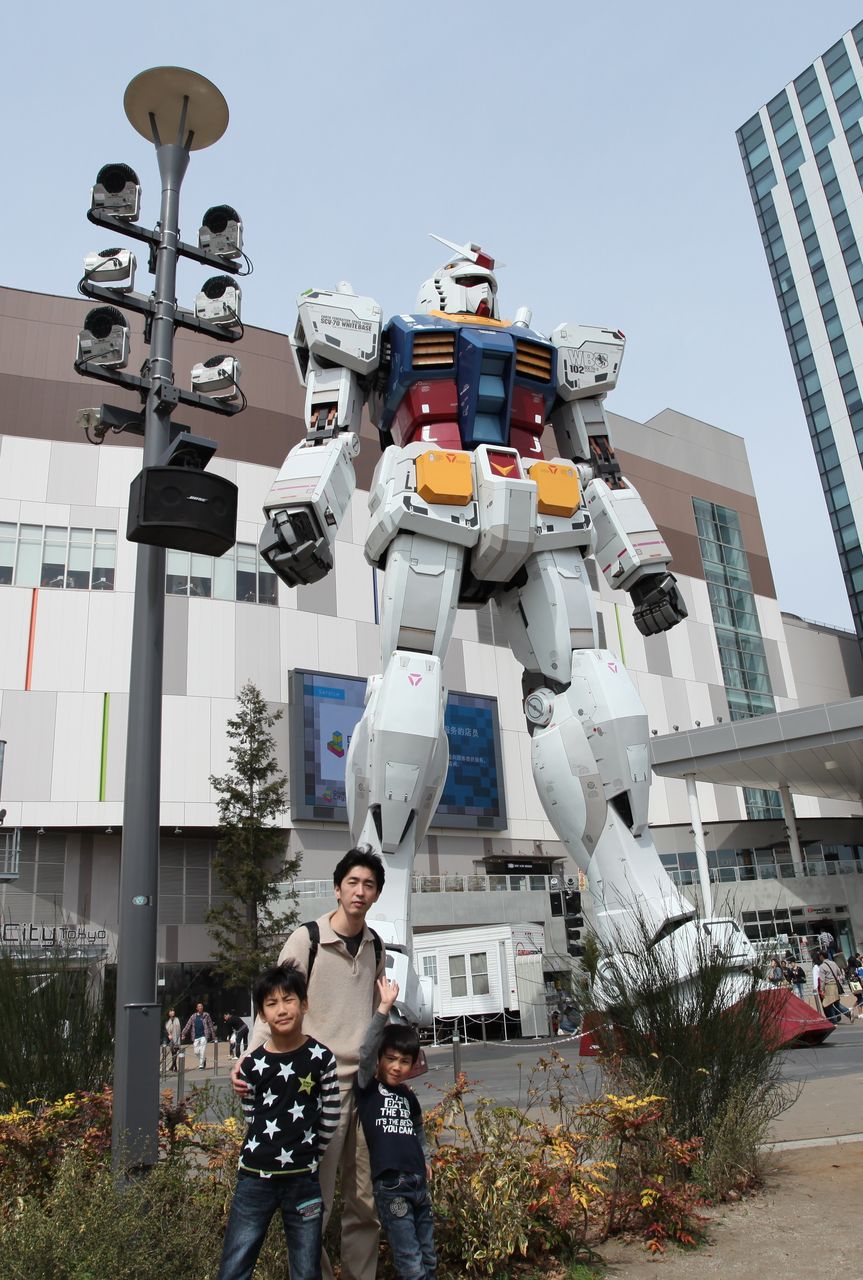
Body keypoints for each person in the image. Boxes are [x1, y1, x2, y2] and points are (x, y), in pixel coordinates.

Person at [233, 848, 387, 1280]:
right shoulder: (308, 940)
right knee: (313, 1201)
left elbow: (375, 1012)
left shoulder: (375, 946)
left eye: (369, 885)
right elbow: (275, 1001)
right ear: (337, 889)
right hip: (317, 1086)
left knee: (364, 1200)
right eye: (352, 883)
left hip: (365, 1087)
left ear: (376, 894)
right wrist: (250, 1059)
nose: (359, 892)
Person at [217, 963, 340, 1280]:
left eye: (289, 1000)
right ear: (262, 1014)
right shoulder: (252, 1064)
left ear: (304, 1004)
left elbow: (331, 1114)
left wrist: (311, 1153)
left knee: (306, 1268)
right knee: (235, 1264)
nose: (281, 1010)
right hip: (254, 1178)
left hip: (304, 1180)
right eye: (271, 1003)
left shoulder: (321, 1058)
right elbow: (251, 1115)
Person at [355, 977, 437, 1280]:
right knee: (410, 1260)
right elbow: (366, 1051)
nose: (396, 1066)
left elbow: (418, 1130)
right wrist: (384, 1008)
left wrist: (426, 1159)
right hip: (391, 1186)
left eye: (404, 1061)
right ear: (379, 1059)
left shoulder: (407, 1095)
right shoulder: (367, 1087)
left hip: (418, 1182)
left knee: (428, 1256)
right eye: (390, 1059)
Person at [816, 950, 853, 1025]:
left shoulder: (822, 966)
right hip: (835, 985)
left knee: (828, 1004)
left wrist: (821, 989)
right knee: (836, 1003)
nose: (819, 957)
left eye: (819, 955)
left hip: (828, 986)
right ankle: (848, 1013)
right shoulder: (833, 963)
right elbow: (839, 973)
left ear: (822, 956)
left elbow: (822, 980)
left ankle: (834, 1021)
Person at [182, 1000, 217, 1069]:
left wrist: (213, 1036)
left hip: (204, 1035)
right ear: (197, 1008)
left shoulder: (206, 1015)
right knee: (196, 1052)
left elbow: (210, 1025)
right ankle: (203, 1059)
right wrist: (183, 1033)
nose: (200, 1007)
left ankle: (201, 1065)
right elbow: (188, 1025)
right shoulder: (193, 1016)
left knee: (202, 1050)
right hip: (195, 1036)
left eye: (201, 1006)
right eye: (199, 1006)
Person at [165, 1007, 181, 1072]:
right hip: (171, 1039)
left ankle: (174, 1066)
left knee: (175, 1052)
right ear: (168, 1013)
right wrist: (168, 1035)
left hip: (177, 1038)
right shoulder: (167, 1021)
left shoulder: (177, 1019)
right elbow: (166, 1030)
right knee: (173, 1053)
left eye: (173, 1011)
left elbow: (179, 1029)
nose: (172, 1012)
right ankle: (174, 1066)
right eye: (171, 1011)